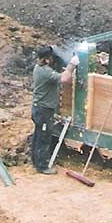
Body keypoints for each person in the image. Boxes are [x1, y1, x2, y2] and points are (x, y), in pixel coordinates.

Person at [31, 46, 78, 174]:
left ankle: (36, 161)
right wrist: (71, 65)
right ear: (46, 60)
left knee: (38, 135)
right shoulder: (45, 72)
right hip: (44, 110)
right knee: (44, 137)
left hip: (39, 109)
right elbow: (65, 79)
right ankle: (42, 166)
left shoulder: (39, 68)